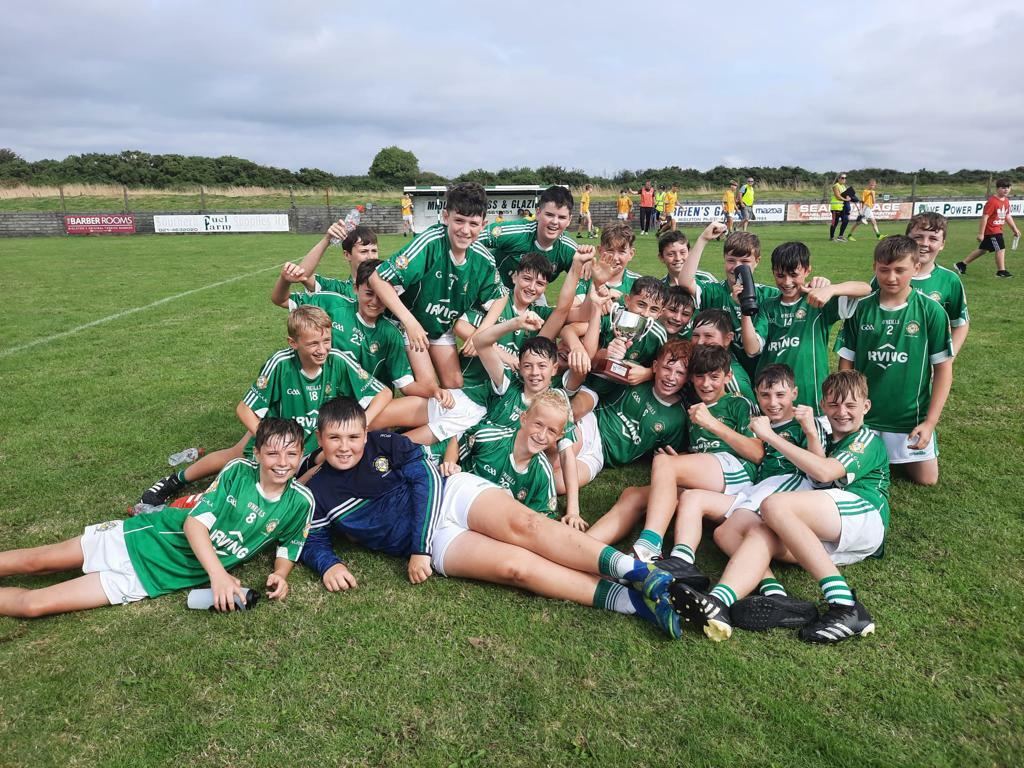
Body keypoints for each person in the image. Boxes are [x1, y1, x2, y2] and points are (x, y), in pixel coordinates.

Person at [299, 397, 685, 638]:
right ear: (320, 437)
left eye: (354, 437)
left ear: (366, 433)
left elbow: (426, 482)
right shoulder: (316, 492)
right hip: (439, 543)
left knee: (528, 526)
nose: (345, 447)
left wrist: (419, 549)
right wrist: (328, 564)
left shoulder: (384, 442)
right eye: (335, 439)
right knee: (517, 568)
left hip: (450, 496)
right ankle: (635, 604)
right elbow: (310, 539)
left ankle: (639, 572)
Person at [0, 418, 314, 617]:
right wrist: (218, 575)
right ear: (256, 454)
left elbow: (289, 543)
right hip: (140, 539)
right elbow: (194, 524)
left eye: (291, 454)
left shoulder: (301, 502)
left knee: (34, 605)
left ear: (301, 456)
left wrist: (280, 574)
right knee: (36, 562)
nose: (282, 462)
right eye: (272, 453)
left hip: (152, 579)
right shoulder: (238, 472)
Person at [668, 370, 889, 645]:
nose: (841, 412)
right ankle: (719, 602)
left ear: (866, 407)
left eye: (850, 405)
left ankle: (846, 605)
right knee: (757, 532)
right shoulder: (828, 435)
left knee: (774, 506)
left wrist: (769, 436)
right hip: (833, 528)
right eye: (834, 404)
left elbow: (824, 472)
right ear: (823, 405)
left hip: (864, 514)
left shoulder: (866, 439)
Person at [139, 306, 391, 505]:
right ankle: (177, 481)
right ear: (293, 343)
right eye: (313, 343)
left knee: (328, 463)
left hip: (316, 442)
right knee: (237, 463)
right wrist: (270, 441)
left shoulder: (338, 360)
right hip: (280, 439)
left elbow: (384, 393)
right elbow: (244, 409)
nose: (322, 349)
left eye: (326, 341)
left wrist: (363, 424)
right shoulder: (280, 363)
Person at [626, 365, 825, 591]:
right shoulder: (759, 423)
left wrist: (809, 432)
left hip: (784, 493)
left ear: (794, 393)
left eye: (780, 395)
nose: (772, 402)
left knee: (728, 532)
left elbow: (819, 473)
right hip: (753, 491)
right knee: (692, 498)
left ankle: (771, 591)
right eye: (765, 395)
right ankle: (682, 562)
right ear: (756, 394)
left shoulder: (804, 424)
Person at [624, 344, 762, 562]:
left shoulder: (739, 403)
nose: (706, 384)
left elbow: (757, 453)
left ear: (728, 377)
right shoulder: (693, 409)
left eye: (714, 377)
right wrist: (684, 461)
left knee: (665, 463)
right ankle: (591, 545)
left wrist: (712, 423)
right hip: (712, 478)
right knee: (633, 495)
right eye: (699, 376)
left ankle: (650, 545)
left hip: (738, 472)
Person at [370, 182, 508, 390]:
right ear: (445, 217)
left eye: (473, 223)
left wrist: (481, 333)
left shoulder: (483, 258)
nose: (465, 230)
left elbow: (501, 296)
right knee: (428, 386)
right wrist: (409, 322)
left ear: (483, 225)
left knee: (455, 384)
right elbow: (377, 279)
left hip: (439, 327)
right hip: (407, 323)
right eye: (459, 220)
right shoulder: (431, 242)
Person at [838, 236, 953, 486]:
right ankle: (874, 450)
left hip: (908, 417)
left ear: (916, 268)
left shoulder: (931, 311)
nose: (891, 277)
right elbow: (846, 363)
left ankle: (886, 454)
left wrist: (930, 422)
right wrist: (847, 411)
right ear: (875, 268)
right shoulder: (860, 309)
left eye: (900, 270)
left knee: (927, 479)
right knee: (848, 474)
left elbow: (943, 370)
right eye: (884, 270)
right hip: (865, 416)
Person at [275, 259, 452, 405]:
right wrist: (285, 280)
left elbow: (405, 385)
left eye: (382, 296)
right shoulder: (332, 304)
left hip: (364, 402)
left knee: (425, 406)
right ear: (356, 288)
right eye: (369, 294)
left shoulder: (391, 333)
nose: (375, 302)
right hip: (319, 393)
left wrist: (435, 391)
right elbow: (281, 300)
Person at [740, 241, 871, 414]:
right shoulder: (768, 306)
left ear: (808, 270)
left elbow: (865, 288)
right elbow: (752, 349)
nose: (787, 282)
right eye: (780, 275)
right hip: (774, 401)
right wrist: (745, 308)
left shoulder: (817, 300)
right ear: (773, 272)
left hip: (812, 399)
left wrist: (831, 289)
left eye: (794, 275)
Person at [565, 339, 691, 487]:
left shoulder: (678, 418)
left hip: (602, 456)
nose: (671, 377)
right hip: (593, 427)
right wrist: (610, 354)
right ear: (655, 366)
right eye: (667, 368)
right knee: (568, 448)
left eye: (680, 373)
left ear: (687, 378)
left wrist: (668, 458)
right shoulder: (635, 376)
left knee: (562, 483)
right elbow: (597, 369)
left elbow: (668, 454)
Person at [674, 221, 780, 374]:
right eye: (731, 260)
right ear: (724, 259)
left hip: (760, 373)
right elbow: (684, 281)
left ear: (757, 261)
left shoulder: (768, 295)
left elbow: (753, 350)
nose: (736, 267)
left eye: (744, 262)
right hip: (720, 373)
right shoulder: (715, 291)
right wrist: (703, 239)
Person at [478, 185, 579, 295]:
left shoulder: (568, 249)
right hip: (491, 291)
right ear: (538, 213)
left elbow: (586, 284)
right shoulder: (517, 233)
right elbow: (473, 237)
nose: (555, 222)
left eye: (562, 217)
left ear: (569, 220)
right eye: (549, 215)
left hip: (529, 294)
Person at [900, 213, 970, 356]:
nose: (924, 243)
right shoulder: (888, 276)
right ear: (907, 239)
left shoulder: (950, 280)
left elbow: (960, 324)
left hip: (930, 361)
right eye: (918, 237)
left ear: (942, 244)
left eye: (933, 238)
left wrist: (947, 359)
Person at [290, 223, 379, 300]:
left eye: (374, 251)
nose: (371, 257)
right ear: (347, 255)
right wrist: (327, 239)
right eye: (364, 251)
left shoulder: (386, 283)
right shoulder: (337, 289)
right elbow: (302, 274)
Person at [956, 178, 1019, 278]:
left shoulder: (1006, 201)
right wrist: (981, 233)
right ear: (997, 189)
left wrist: (1015, 229)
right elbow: (985, 217)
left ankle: (961, 264)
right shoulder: (992, 201)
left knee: (983, 250)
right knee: (1000, 248)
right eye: (1003, 188)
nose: (1006, 190)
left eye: (1008, 187)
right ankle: (1001, 271)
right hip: (992, 231)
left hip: (998, 229)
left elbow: (1007, 215)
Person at [829, 173, 852, 242]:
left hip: (842, 207)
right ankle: (832, 237)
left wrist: (850, 197)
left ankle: (840, 236)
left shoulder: (843, 187)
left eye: (845, 178)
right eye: (842, 178)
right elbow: (837, 196)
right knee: (835, 223)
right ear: (838, 179)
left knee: (846, 220)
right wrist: (846, 199)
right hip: (835, 208)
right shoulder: (835, 186)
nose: (844, 179)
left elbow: (846, 195)